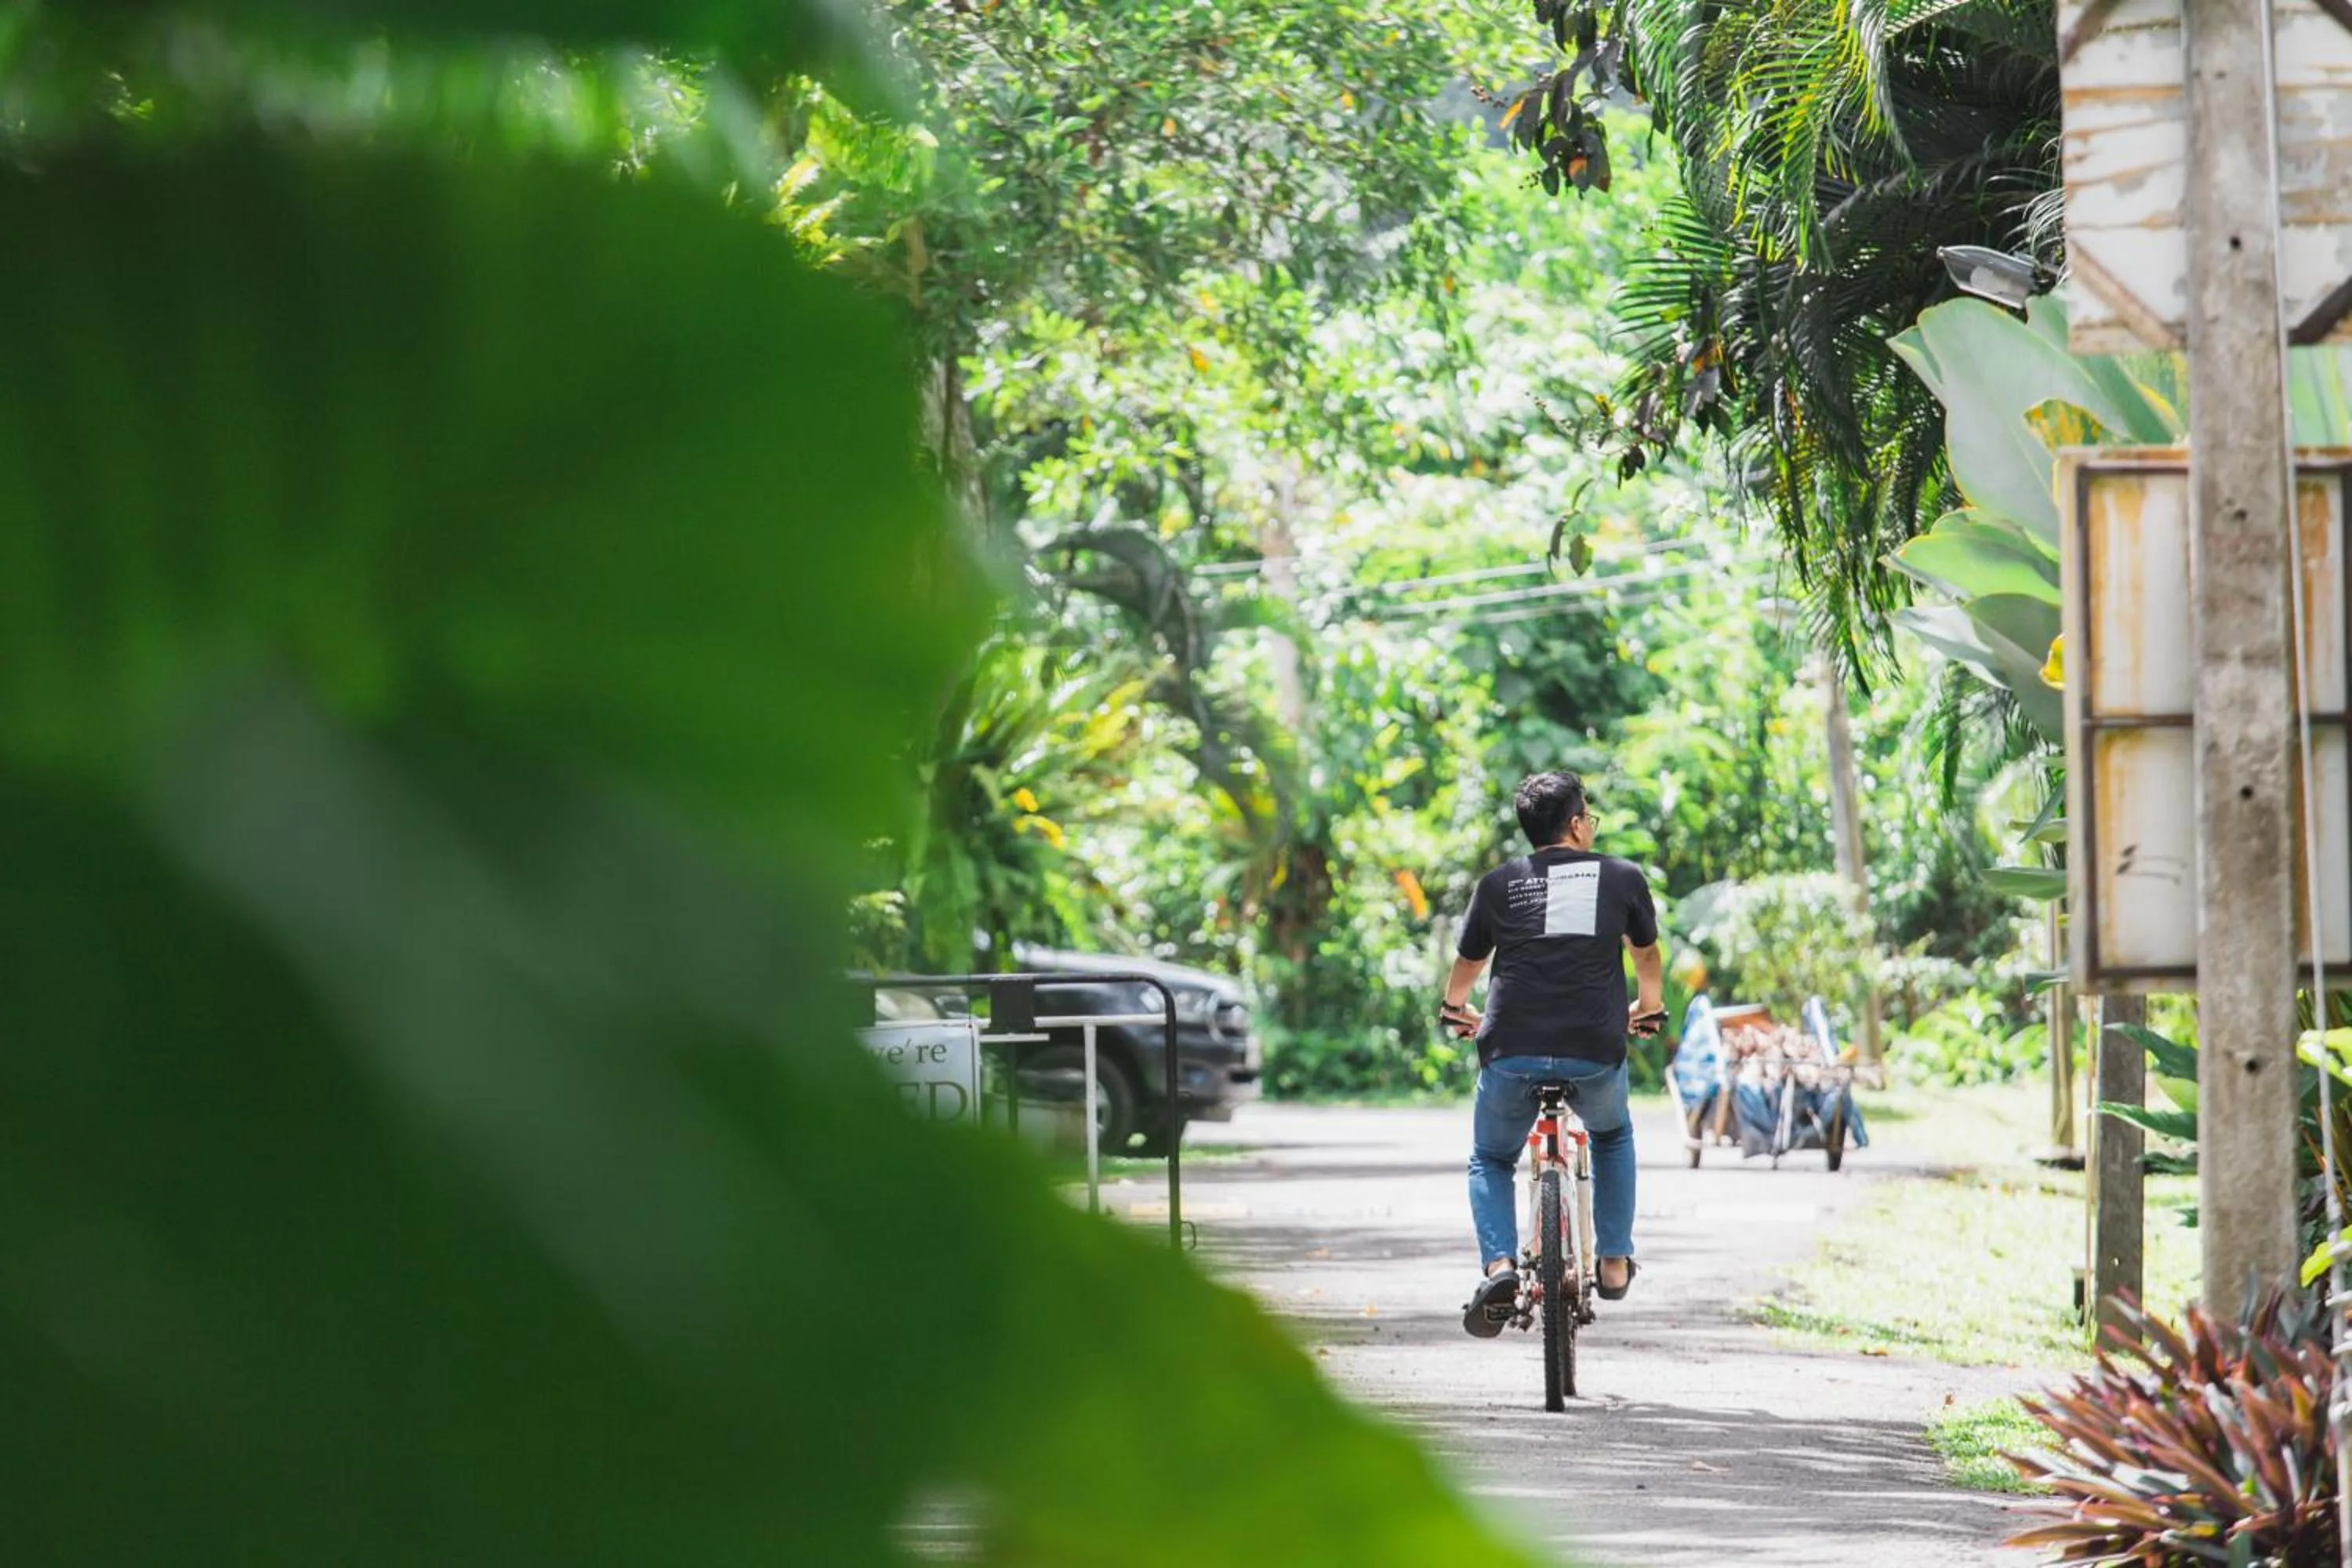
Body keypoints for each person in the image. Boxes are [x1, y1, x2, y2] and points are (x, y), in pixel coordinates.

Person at [1440, 771, 1663, 1338]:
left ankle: (1499, 1268)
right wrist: (1650, 1007)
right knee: (1611, 1135)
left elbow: (1468, 966)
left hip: (1510, 1049)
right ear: (1575, 825)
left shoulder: (1499, 884)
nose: (1591, 824)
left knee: (1491, 1158)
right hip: (1594, 1048)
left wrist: (1454, 1008)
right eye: (1589, 814)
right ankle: (1613, 1260)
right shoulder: (1621, 877)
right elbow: (1645, 957)